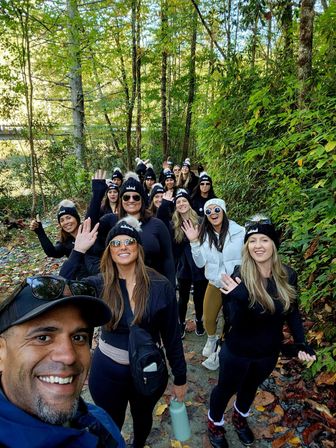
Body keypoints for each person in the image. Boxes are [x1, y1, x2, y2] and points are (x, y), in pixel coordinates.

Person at [60, 216, 187, 448]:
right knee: (109, 424)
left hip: (148, 368)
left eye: (129, 241)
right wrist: (77, 251)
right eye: (115, 243)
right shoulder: (98, 284)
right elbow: (56, 291)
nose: (123, 247)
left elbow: (171, 335)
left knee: (142, 419)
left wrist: (180, 377)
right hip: (107, 371)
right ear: (109, 251)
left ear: (138, 247)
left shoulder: (160, 286)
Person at [207, 216, 316, 448]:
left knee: (250, 388)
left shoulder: (288, 275)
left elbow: (292, 312)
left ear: (274, 244)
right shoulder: (238, 277)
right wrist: (239, 297)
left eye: (264, 239)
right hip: (238, 350)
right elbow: (236, 320)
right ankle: (214, 423)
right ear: (246, 246)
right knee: (225, 389)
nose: (258, 245)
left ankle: (240, 417)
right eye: (252, 240)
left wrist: (301, 343)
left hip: (268, 352)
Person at [0, 274, 125, 448]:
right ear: (1, 352)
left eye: (79, 337)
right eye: (43, 338)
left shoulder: (100, 421)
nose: (69, 356)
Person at [182, 198, 245, 370]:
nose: (213, 214)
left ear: (223, 211)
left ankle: (220, 351)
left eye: (216, 209)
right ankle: (211, 339)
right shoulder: (204, 235)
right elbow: (200, 263)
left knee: (231, 321)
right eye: (208, 211)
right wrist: (194, 242)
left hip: (235, 284)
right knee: (208, 318)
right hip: (215, 283)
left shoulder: (239, 231)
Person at [97, 173, 176, 287]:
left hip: (154, 286)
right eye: (126, 197)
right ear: (121, 200)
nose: (131, 200)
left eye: (136, 197)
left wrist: (171, 289)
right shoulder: (110, 221)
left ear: (142, 200)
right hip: (120, 288)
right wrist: (97, 195)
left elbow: (168, 259)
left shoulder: (157, 225)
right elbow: (88, 228)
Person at [29, 200, 100, 278]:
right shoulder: (65, 243)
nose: (66, 222)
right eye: (62, 220)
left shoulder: (91, 231)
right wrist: (40, 232)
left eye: (68, 218)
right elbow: (51, 252)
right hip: (83, 283)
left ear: (76, 218)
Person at [171, 190, 208, 338]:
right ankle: (181, 323)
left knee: (199, 296)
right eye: (178, 202)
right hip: (183, 265)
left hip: (199, 264)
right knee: (183, 297)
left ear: (189, 203)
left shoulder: (200, 221)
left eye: (184, 201)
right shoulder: (174, 224)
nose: (181, 204)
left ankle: (199, 320)